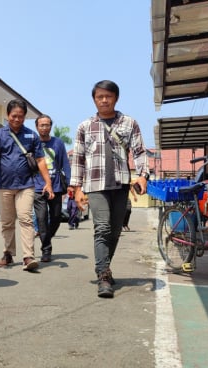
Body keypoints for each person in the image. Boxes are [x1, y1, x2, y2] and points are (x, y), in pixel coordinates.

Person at [70, 80, 150, 299]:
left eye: (108, 96)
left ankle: (105, 266)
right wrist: (77, 188)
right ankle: (103, 275)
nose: (104, 100)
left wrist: (143, 176)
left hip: (121, 183)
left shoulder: (129, 123)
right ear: (94, 99)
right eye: (99, 97)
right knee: (102, 227)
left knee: (115, 231)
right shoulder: (84, 126)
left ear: (116, 98)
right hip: (95, 185)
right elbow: (77, 159)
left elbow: (140, 151)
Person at [0, 99, 54, 271]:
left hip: (26, 185)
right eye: (14, 116)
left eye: (21, 117)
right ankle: (8, 254)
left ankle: (28, 256)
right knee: (7, 222)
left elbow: (40, 160)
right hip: (4, 185)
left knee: (25, 219)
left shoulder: (32, 136)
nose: (17, 119)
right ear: (8, 116)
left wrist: (48, 182)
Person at [33, 114, 70, 262]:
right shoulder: (32, 143)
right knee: (41, 219)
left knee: (55, 218)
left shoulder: (58, 143)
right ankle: (46, 250)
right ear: (37, 127)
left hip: (55, 187)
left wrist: (70, 184)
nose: (44, 127)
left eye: (47, 124)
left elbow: (65, 164)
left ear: (50, 126)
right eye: (41, 125)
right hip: (37, 187)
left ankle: (46, 239)